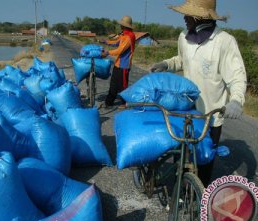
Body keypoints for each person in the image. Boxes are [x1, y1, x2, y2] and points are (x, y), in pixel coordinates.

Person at [150, 0, 247, 186]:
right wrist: (167, 64)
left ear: (202, 16)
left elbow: (237, 77)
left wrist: (236, 100)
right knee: (180, 157)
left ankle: (197, 202)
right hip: (185, 111)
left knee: (204, 164)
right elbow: (181, 59)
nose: (184, 18)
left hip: (210, 117)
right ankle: (181, 195)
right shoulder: (184, 37)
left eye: (189, 14)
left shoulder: (224, 41)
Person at [100, 15, 136, 108]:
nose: (120, 26)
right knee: (113, 84)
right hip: (118, 64)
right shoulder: (123, 35)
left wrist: (107, 52)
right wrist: (106, 41)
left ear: (125, 26)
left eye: (122, 25)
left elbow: (120, 50)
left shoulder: (129, 37)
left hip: (124, 66)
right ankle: (109, 102)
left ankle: (125, 103)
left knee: (123, 86)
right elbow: (116, 42)